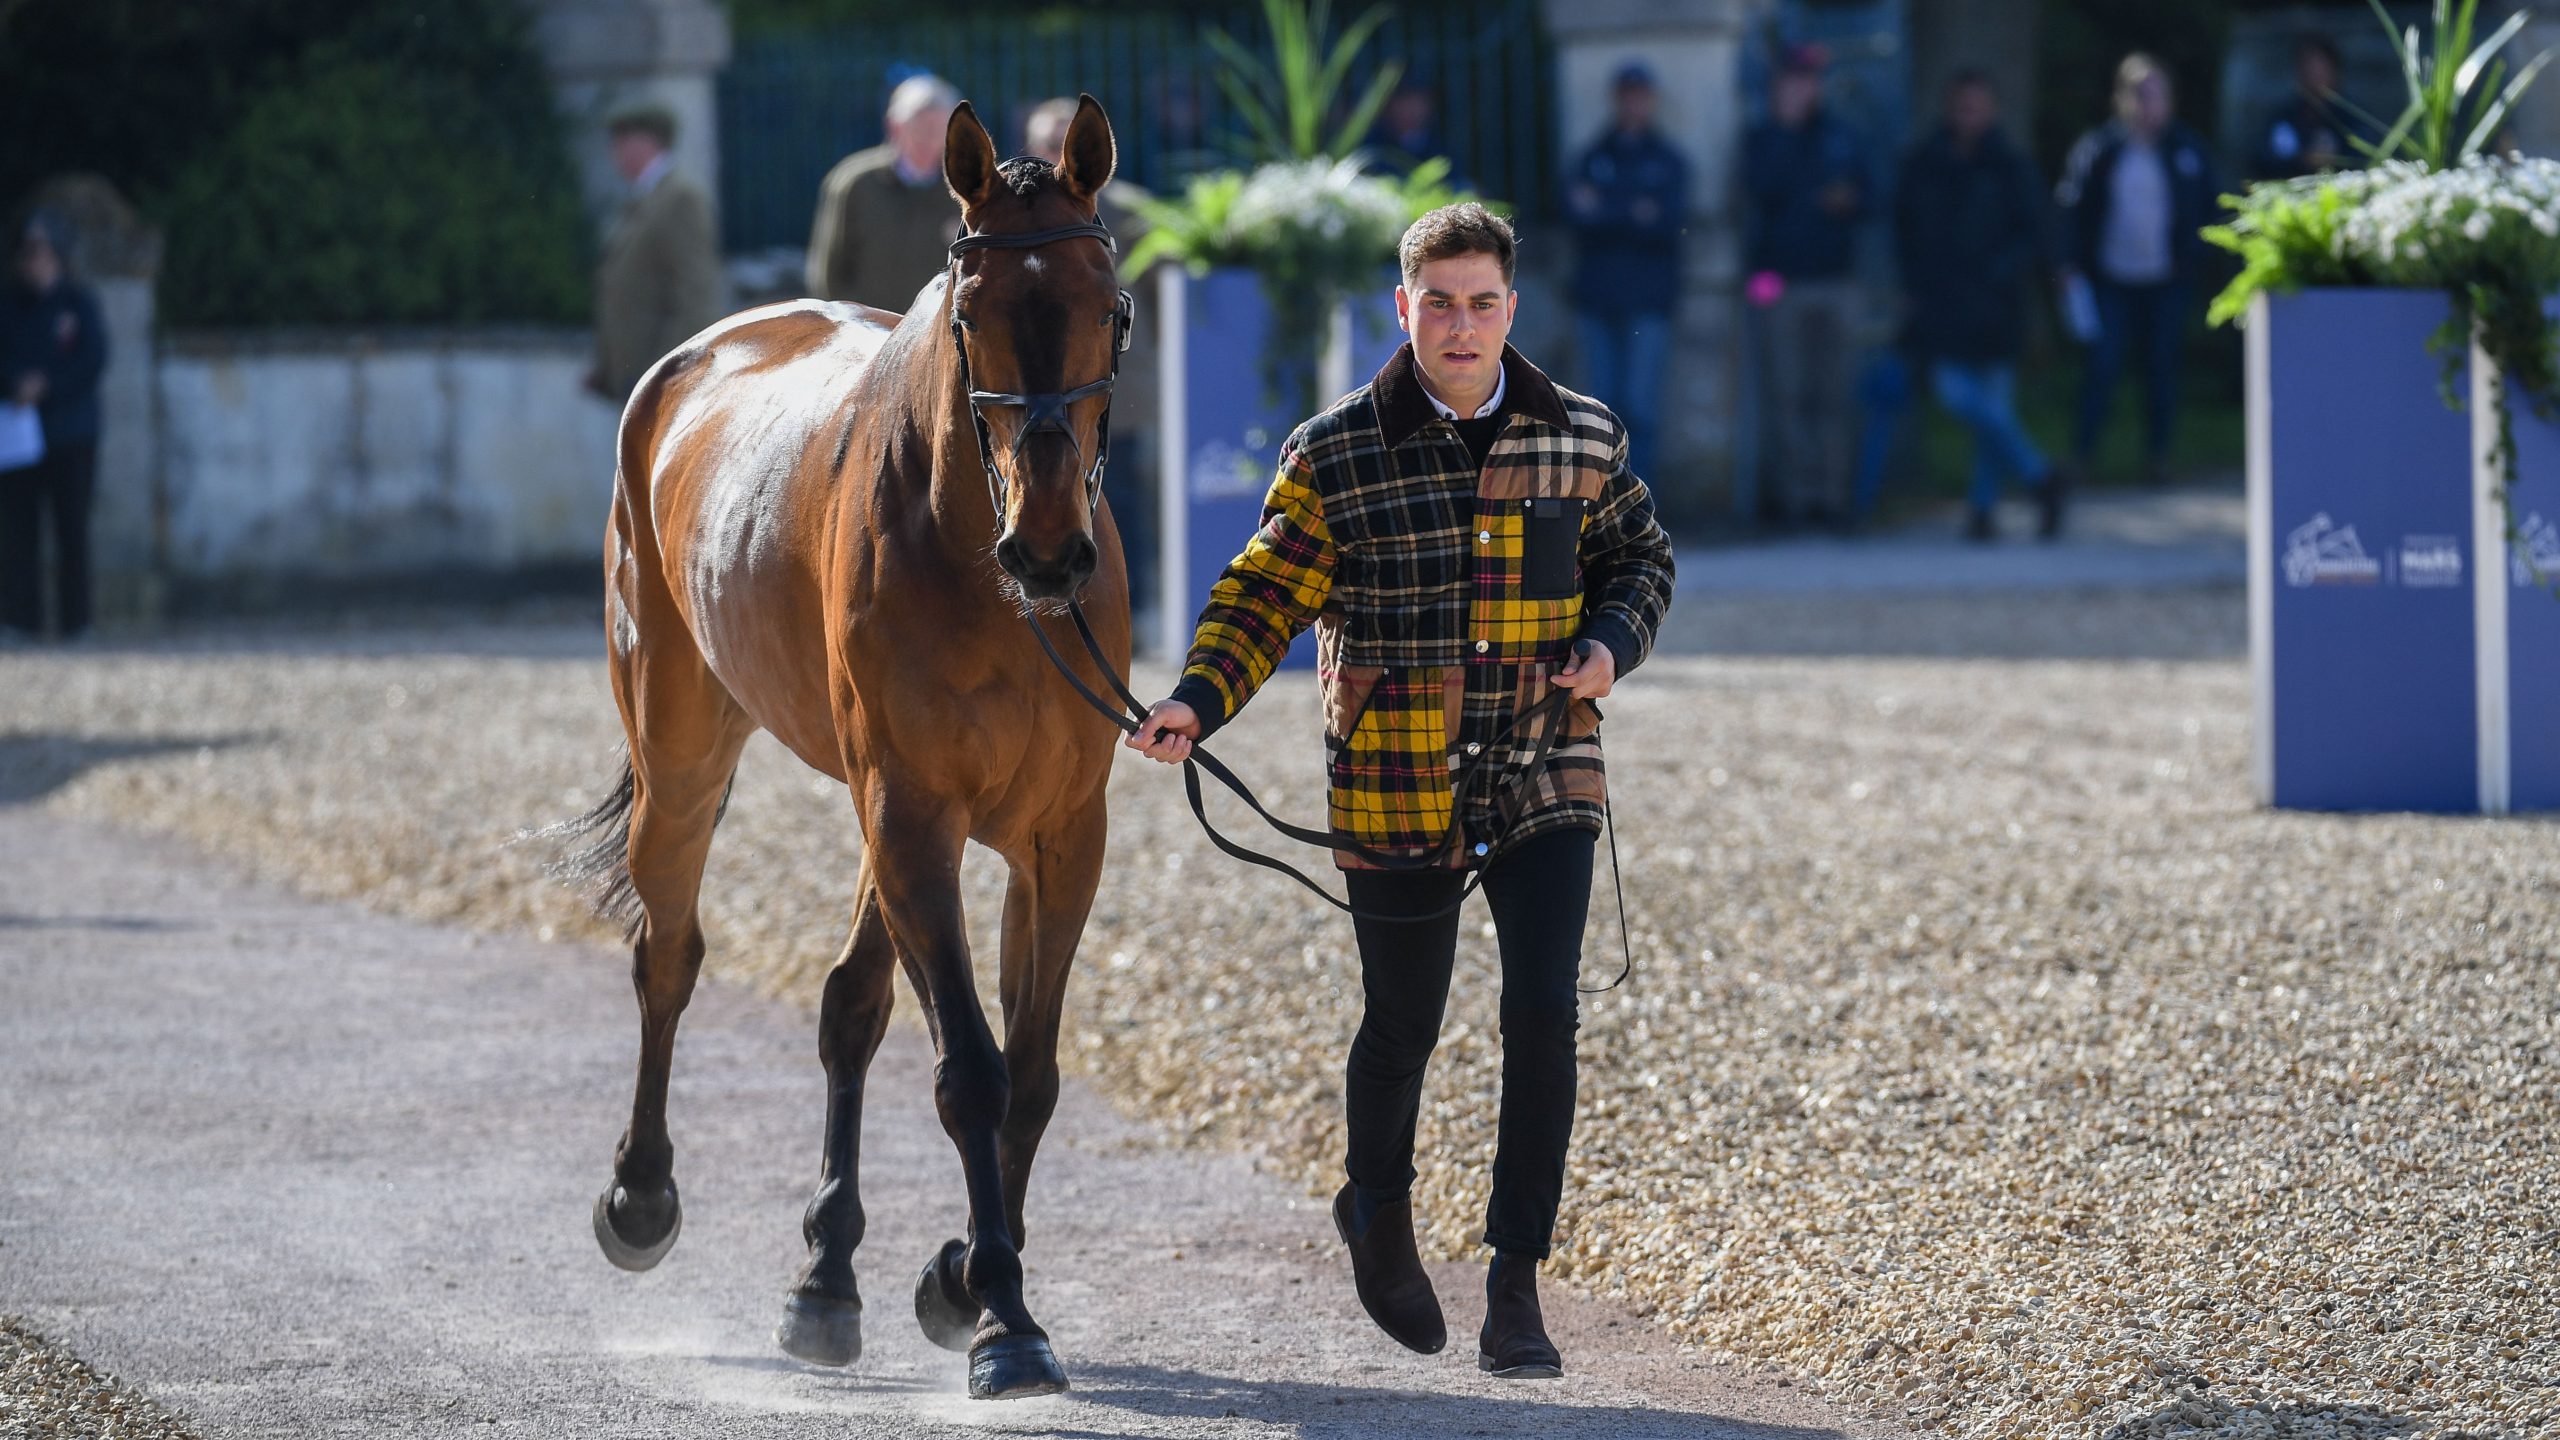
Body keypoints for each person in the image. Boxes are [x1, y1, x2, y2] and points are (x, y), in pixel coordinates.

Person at [1125, 203, 1675, 1380]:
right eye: (1440, 303)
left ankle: (1516, 1286)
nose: (1462, 325)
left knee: (1541, 1017)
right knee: (1402, 1026)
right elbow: (1260, 595)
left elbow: (1641, 556)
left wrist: (1612, 646)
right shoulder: (1336, 451)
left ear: (1510, 310)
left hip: (1544, 764)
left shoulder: (1581, 437)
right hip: (1396, 778)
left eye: (1483, 303)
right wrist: (1194, 701)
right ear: (1403, 309)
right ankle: (1375, 1207)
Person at [1895, 69, 2064, 541]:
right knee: (1959, 395)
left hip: (1997, 303)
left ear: (1991, 110)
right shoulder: (1926, 163)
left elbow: (2033, 231)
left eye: (1976, 105)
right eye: (1960, 105)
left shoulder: (2012, 166)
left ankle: (1982, 509)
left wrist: (2003, 271)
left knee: (1993, 406)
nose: (1967, 114)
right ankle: (2039, 475)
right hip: (1945, 303)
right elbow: (1906, 228)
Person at [1024, 96, 1161, 618]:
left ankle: (1132, 608)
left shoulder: (1132, 210)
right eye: (1048, 141)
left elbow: (1161, 297)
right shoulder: (1016, 213)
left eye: (1067, 140)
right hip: (1037, 393)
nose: (1058, 151)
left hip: (1115, 386)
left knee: (1120, 499)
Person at [2056, 54, 2220, 489]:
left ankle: (2158, 459)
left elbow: (2213, 209)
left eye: (2155, 94)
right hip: (2111, 279)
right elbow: (2072, 210)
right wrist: (2068, 265)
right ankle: (2083, 456)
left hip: (2167, 281)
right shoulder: (2101, 150)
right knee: (2102, 369)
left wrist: (2197, 263)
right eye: (2138, 93)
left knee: (2161, 371)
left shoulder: (2186, 150)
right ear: (2120, 98)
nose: (2147, 104)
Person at [1742, 43, 1871, 528]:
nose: (1800, 90)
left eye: (1807, 81)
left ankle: (1833, 499)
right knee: (1787, 394)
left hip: (1837, 281)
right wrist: (1787, 132)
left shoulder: (1842, 136)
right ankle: (1796, 500)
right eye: (1791, 82)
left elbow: (1871, 194)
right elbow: (1762, 189)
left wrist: (1849, 199)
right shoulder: (1763, 138)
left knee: (1835, 396)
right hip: (1778, 283)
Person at [1565, 62, 1686, 487]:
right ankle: (1601, 507)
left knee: (1641, 407)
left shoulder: (1667, 159)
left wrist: (1606, 210)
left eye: (1640, 95)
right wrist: (1633, 211)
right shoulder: (1594, 155)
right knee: (1599, 409)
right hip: (1598, 297)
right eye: (1626, 95)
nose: (1633, 104)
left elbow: (1667, 224)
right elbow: (1575, 216)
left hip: (1648, 299)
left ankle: (1639, 501)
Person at [1, 211, 107, 642]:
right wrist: (15, 384)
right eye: (27, 252)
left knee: (72, 529)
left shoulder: (79, 304)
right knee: (17, 531)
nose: (34, 260)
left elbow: (92, 360)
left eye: (42, 251)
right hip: (19, 434)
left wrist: (49, 386)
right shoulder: (8, 306)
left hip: (71, 432)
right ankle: (21, 620)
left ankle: (76, 622)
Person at [588, 104, 724, 404]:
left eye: (623, 142)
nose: (617, 153)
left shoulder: (679, 199)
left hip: (662, 374)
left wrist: (675, 369)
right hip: (636, 371)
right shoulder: (645, 196)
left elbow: (694, 290)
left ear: (647, 143)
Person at [805, 73, 964, 311]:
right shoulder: (855, 183)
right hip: (870, 336)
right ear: (895, 126)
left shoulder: (965, 187)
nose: (931, 140)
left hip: (940, 340)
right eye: (922, 128)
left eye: (940, 130)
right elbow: (828, 272)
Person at [2256, 35, 2357, 180]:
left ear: (2335, 71)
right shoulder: (2284, 116)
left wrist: (2335, 157)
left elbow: (2365, 161)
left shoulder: (2351, 116)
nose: (2314, 75)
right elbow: (2262, 159)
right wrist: (2301, 160)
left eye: (2320, 69)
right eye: (2308, 68)